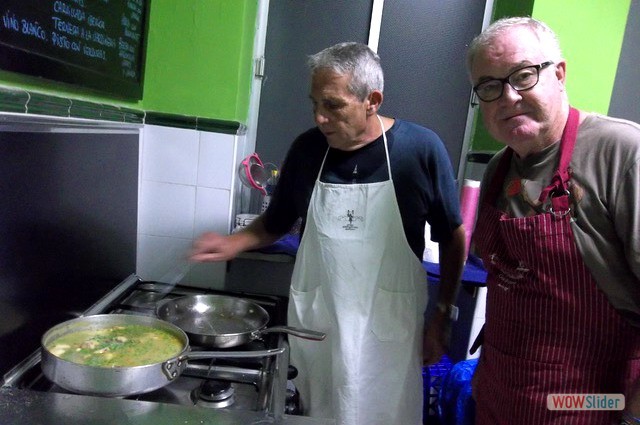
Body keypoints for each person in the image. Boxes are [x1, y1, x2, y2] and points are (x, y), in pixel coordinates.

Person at [191, 42, 466, 425]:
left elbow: (453, 236)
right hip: (320, 327)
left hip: (388, 333)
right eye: (315, 104)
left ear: (372, 101)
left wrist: (443, 315)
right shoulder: (307, 150)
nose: (320, 117)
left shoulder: (419, 150)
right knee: (316, 411)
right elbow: (275, 222)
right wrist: (230, 244)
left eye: (333, 105)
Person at [466, 17, 640, 424]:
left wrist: (633, 416)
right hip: (499, 395)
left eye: (523, 75)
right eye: (489, 86)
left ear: (559, 74)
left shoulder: (621, 154)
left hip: (585, 406)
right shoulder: (498, 169)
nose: (508, 97)